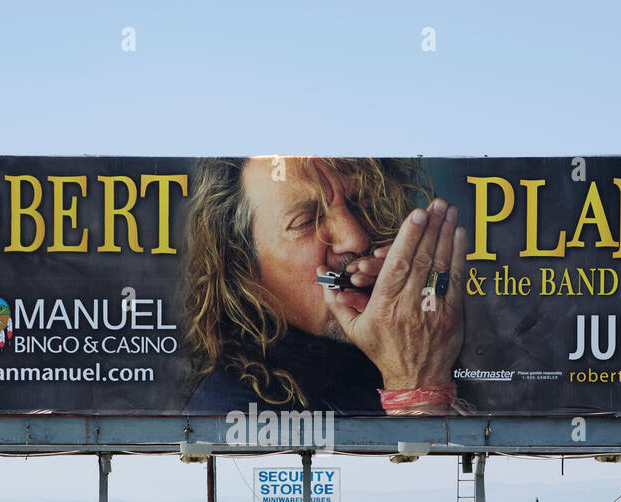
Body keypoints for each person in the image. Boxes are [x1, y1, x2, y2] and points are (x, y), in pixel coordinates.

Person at [182, 157, 468, 415]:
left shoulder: (432, 339)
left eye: (362, 203)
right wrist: (416, 386)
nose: (356, 240)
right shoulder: (227, 409)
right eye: (307, 221)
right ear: (244, 268)